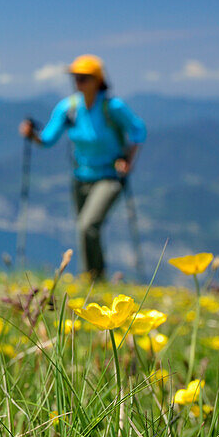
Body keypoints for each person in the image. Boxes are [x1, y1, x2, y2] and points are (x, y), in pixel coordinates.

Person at [19, 55, 146, 280]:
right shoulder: (69, 108)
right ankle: (96, 280)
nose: (78, 82)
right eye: (76, 78)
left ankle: (91, 279)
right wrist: (32, 136)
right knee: (85, 230)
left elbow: (138, 130)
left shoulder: (112, 107)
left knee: (87, 226)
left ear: (98, 80)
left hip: (110, 177)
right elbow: (47, 139)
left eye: (84, 78)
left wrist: (127, 160)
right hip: (80, 177)